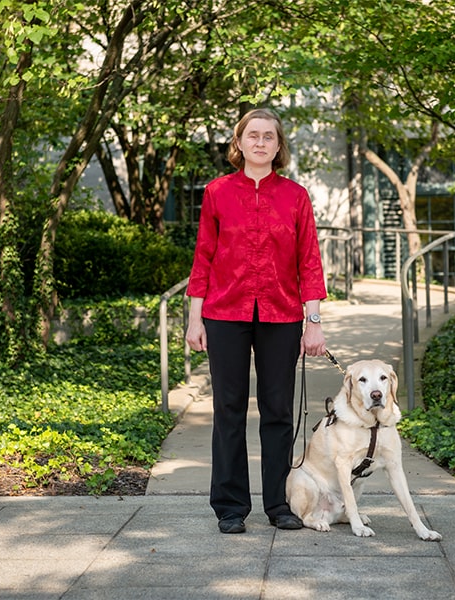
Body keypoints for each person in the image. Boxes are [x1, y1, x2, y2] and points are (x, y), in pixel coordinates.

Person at [185, 108, 327, 534]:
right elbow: (204, 258)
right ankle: (230, 507)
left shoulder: (296, 197)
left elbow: (310, 261)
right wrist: (195, 318)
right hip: (225, 313)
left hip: (281, 314)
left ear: (279, 145)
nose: (261, 142)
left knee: (278, 412)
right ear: (240, 143)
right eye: (253, 135)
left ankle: (279, 504)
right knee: (228, 410)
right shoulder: (217, 192)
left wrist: (313, 320)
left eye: (269, 136)